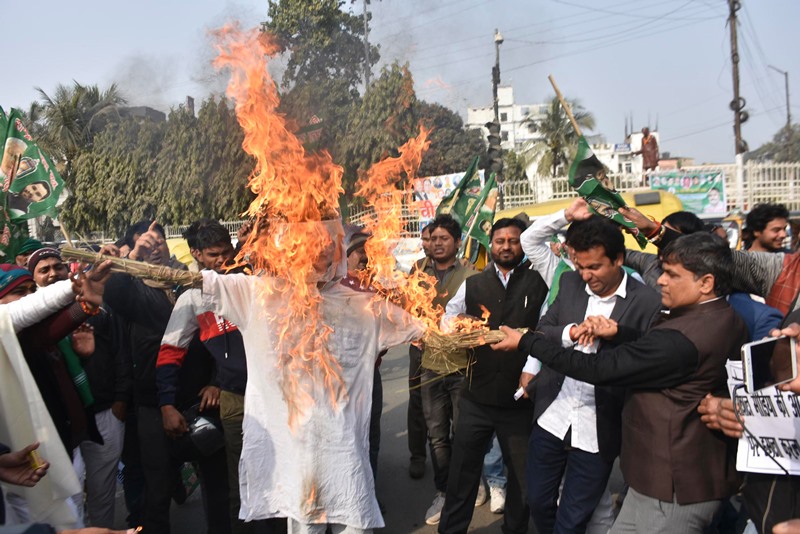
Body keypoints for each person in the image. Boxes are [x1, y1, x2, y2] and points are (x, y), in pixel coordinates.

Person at [493, 232, 747, 534]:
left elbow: (600, 367)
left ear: (706, 283)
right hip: (651, 478)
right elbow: (656, 352)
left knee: (573, 520)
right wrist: (620, 333)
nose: (661, 280)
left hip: (673, 486)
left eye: (671, 274)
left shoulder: (680, 331)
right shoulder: (716, 317)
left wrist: (527, 342)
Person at [199, 218, 424, 533]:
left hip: (344, 449)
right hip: (297, 453)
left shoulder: (362, 304)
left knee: (355, 521)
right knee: (306, 525)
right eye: (310, 250)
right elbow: (197, 282)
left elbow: (421, 330)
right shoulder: (259, 294)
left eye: (326, 250)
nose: (318, 257)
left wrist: (467, 333)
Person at [522, 216, 662, 534]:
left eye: (595, 267)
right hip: (552, 417)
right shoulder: (571, 283)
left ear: (619, 259)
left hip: (599, 427)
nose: (587, 276)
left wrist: (618, 333)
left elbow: (653, 358)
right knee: (539, 502)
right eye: (580, 266)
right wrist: (572, 332)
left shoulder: (648, 302)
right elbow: (543, 330)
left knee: (573, 520)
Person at [103, 220, 230, 534]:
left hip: (202, 396)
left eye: (156, 240)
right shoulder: (133, 289)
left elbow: (224, 337)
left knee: (218, 484)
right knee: (156, 488)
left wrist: (216, 381)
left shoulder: (194, 282)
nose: (152, 246)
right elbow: (113, 293)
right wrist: (134, 254)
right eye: (145, 243)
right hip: (153, 403)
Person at [437, 218, 549, 534]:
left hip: (519, 399)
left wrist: (531, 372)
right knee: (462, 475)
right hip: (476, 397)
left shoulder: (539, 281)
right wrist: (457, 322)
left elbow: (545, 332)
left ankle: (514, 529)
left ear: (522, 244)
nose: (506, 246)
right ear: (491, 244)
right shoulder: (473, 283)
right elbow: (447, 318)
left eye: (513, 240)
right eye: (500, 241)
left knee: (522, 479)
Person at [155, 219, 266, 534]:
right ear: (197, 254)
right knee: (239, 485)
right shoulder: (192, 297)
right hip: (235, 400)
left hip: (273, 394)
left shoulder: (251, 281)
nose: (222, 260)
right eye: (214, 254)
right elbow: (170, 352)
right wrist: (166, 404)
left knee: (278, 477)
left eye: (227, 252)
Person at [417, 215, 477, 526]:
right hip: (429, 365)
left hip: (462, 364)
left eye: (444, 238)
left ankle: (466, 488)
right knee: (437, 434)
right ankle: (443, 492)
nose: (438, 243)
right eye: (434, 238)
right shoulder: (418, 272)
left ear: (456, 241)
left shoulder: (471, 273)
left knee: (463, 432)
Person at [408, 223, 432, 479]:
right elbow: (406, 303)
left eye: (435, 238)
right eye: (425, 238)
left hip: (449, 351)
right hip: (419, 348)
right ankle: (417, 456)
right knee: (417, 404)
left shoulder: (465, 270)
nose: (430, 243)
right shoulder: (417, 269)